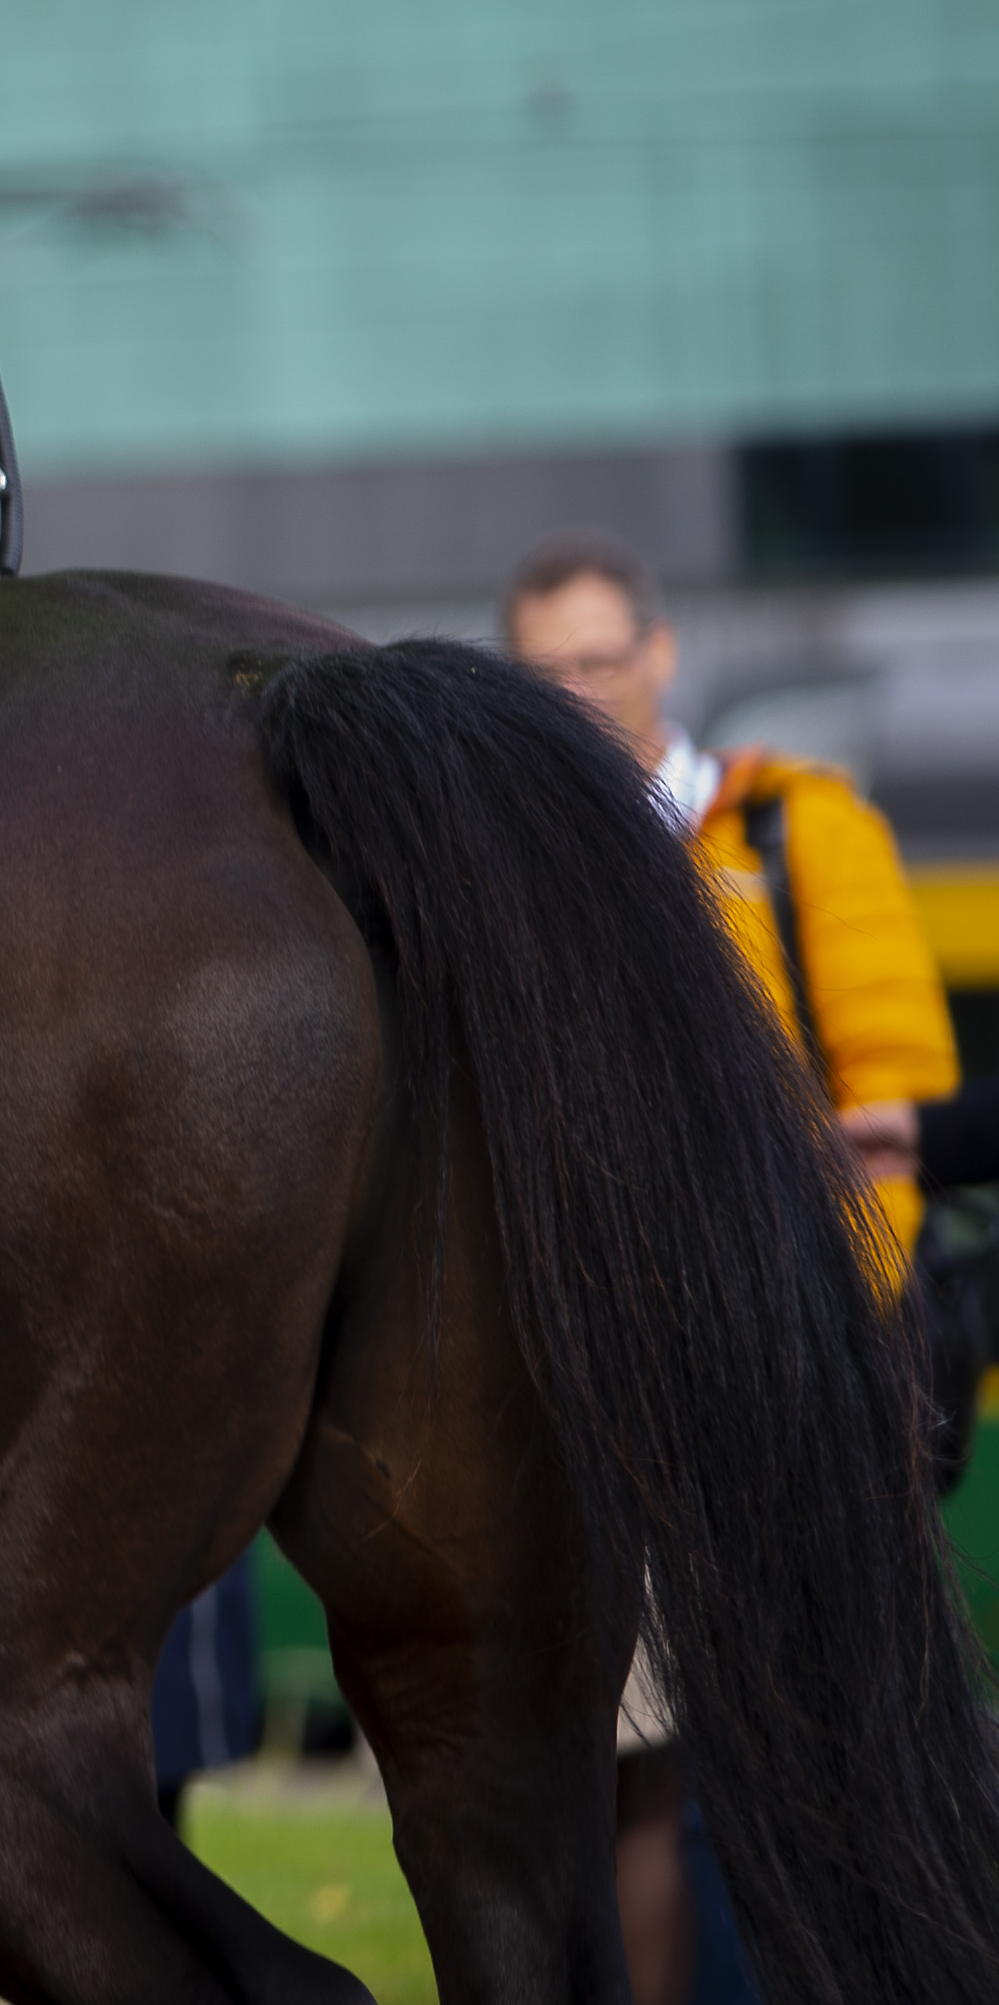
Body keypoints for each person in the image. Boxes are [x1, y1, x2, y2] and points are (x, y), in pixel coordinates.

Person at [499, 528, 953, 2005]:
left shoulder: (790, 833)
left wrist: (820, 1343)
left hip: (806, 1374)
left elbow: (892, 1120)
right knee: (649, 1778)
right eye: (544, 668)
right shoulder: (526, 875)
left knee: (820, 1763)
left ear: (662, 655)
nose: (576, 690)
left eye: (599, 657)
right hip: (612, 1383)